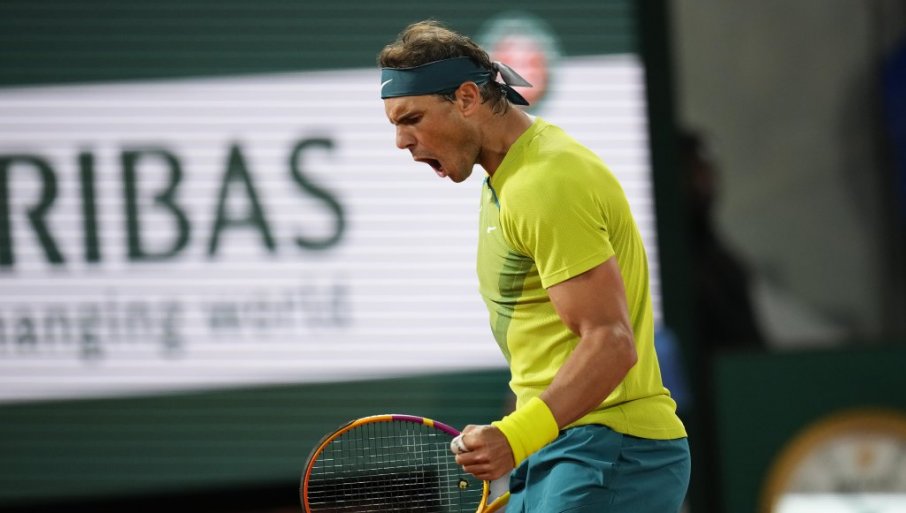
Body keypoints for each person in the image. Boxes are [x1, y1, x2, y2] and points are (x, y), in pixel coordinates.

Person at [378, 20, 690, 513]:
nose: (401, 141)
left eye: (411, 118)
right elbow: (543, 348)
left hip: (609, 452)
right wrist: (522, 442)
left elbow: (611, 342)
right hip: (564, 450)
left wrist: (515, 436)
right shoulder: (507, 180)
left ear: (466, 98)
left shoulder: (545, 181)